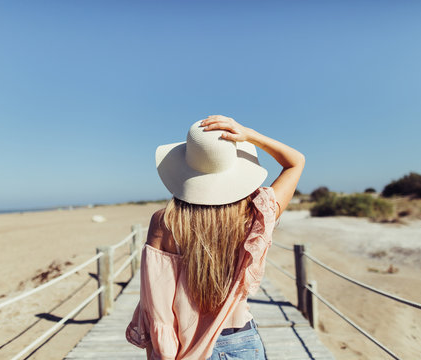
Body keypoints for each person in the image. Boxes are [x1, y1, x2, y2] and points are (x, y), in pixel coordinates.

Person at [126, 115, 305, 360]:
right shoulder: (256, 214)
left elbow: (157, 307)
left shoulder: (164, 222)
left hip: (187, 348)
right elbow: (295, 162)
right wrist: (249, 134)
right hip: (243, 341)